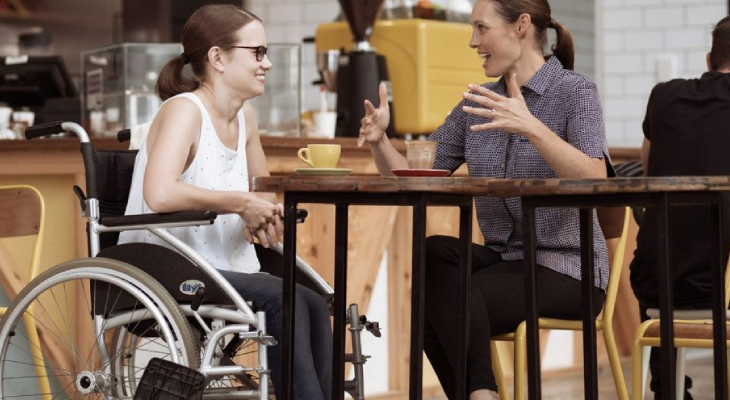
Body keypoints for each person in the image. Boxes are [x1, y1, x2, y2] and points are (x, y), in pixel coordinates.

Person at [358, 0, 613, 399]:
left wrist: (532, 128)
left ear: (522, 26)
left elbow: (595, 179)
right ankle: (482, 393)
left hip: (569, 268)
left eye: (481, 28)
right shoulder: (477, 103)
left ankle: (480, 393)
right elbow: (418, 178)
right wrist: (379, 143)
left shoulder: (575, 92)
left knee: (446, 299)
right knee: (433, 256)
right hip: (505, 258)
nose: (473, 42)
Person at [117, 5, 332, 400]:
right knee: (284, 301)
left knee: (315, 303)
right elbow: (159, 192)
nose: (266, 64)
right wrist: (240, 203)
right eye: (257, 52)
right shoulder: (185, 110)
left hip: (224, 266)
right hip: (170, 267)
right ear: (218, 57)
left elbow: (260, 184)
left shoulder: (245, 116)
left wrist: (261, 211)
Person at [629, 15, 730, 400]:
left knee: (665, 251)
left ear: (709, 59)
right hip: (723, 290)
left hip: (657, 286)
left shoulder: (664, 96)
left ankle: (667, 389)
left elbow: (650, 169)